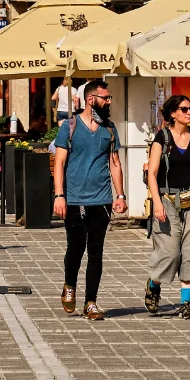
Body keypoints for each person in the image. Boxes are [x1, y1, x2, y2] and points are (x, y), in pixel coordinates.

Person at [51, 79, 125, 321]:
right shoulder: (70, 127)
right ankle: (69, 284)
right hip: (74, 199)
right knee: (75, 248)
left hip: (101, 199)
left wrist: (120, 195)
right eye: (106, 98)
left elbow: (115, 164)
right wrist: (59, 195)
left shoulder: (110, 129)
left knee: (96, 252)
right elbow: (59, 163)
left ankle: (91, 302)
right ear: (91, 100)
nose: (110, 101)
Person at [144, 94, 190, 319]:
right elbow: (152, 174)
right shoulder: (162, 138)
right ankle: (154, 285)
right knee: (170, 253)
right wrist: (156, 203)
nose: (189, 112)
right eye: (184, 109)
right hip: (167, 201)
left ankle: (185, 303)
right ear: (173, 114)